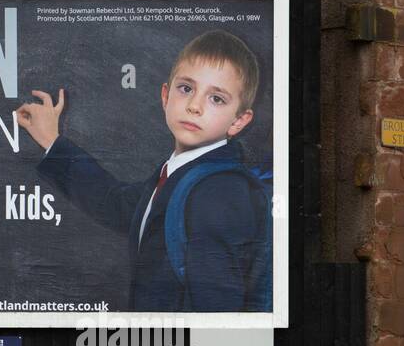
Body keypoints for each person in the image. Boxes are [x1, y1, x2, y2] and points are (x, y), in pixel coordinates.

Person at [15, 29, 272, 312]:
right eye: (186, 88)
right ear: (165, 95)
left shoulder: (217, 192)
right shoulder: (180, 173)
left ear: (238, 121)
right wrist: (53, 142)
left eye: (217, 99)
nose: (195, 106)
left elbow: (216, 307)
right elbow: (116, 204)